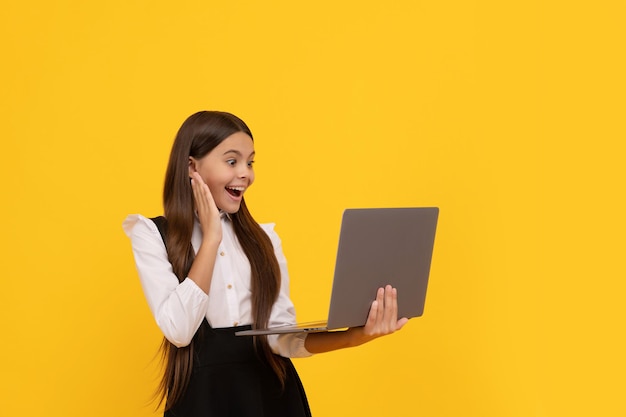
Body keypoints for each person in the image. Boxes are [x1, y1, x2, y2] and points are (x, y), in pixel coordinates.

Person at [123, 110, 408, 417]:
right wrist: (211, 240)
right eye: (232, 161)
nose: (246, 173)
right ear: (192, 167)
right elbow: (179, 330)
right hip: (203, 401)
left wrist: (356, 336)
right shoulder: (151, 234)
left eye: (250, 162)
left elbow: (282, 341)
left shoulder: (265, 239)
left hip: (272, 399)